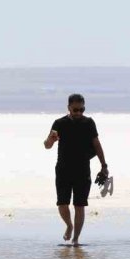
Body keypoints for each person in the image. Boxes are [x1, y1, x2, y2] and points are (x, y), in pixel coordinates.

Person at [44, 94, 108, 246]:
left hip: (82, 169)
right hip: (63, 169)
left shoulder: (89, 123)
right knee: (62, 203)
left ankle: (76, 239)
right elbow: (47, 145)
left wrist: (104, 165)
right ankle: (69, 225)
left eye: (81, 109)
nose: (79, 113)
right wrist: (51, 140)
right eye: (75, 110)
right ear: (69, 108)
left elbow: (97, 144)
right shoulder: (59, 123)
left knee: (80, 205)